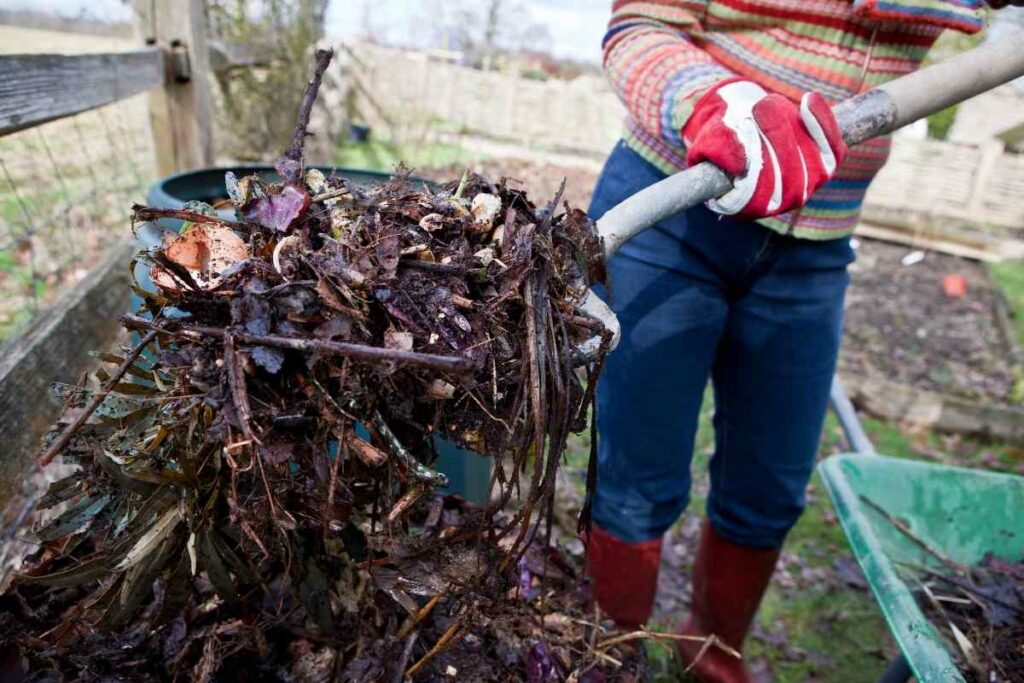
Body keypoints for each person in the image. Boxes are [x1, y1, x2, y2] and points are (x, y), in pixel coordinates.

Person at [585, 1, 1018, 680]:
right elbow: (640, 24)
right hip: (674, 206)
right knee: (635, 474)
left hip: (816, 242)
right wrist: (710, 100)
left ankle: (713, 653)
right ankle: (612, 655)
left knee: (771, 486)